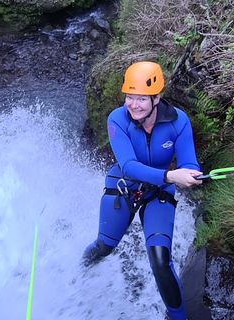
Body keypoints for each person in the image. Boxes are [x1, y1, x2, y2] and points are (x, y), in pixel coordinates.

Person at [82, 61, 202, 320]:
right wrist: (170, 176)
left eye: (141, 99)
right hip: (124, 186)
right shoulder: (117, 119)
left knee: (160, 260)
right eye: (129, 97)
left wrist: (191, 174)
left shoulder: (178, 122)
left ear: (157, 97)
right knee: (104, 247)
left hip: (158, 193)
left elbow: (188, 162)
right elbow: (128, 166)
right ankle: (77, 274)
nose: (133, 104)